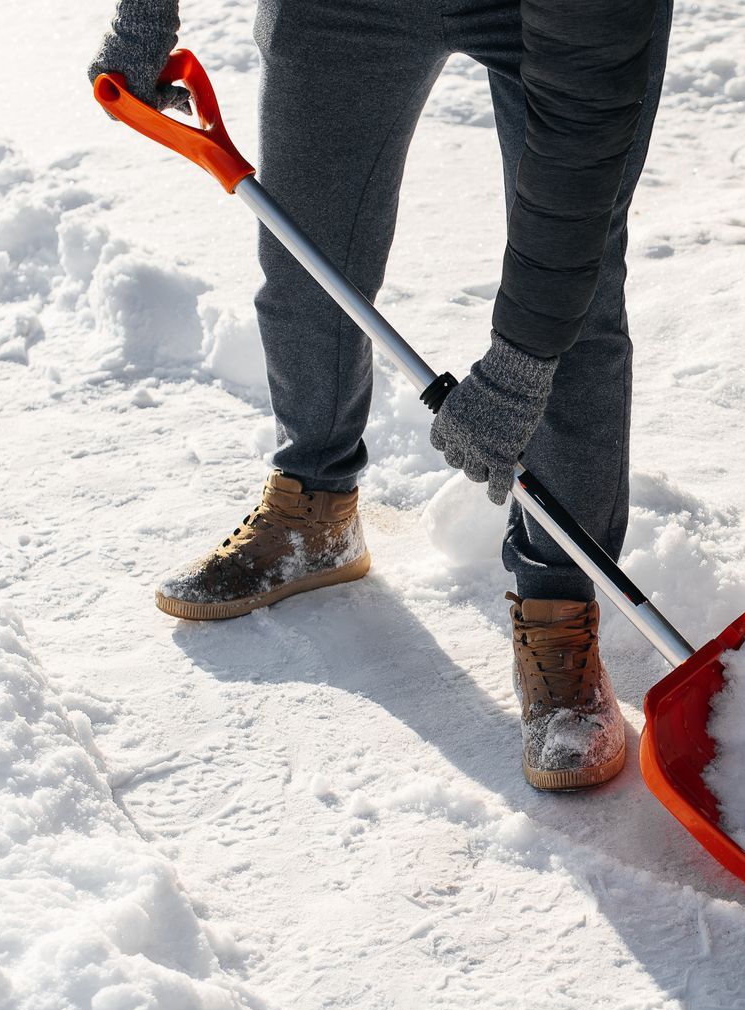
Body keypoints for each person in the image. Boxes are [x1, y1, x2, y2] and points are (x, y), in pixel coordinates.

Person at [89, 0, 671, 792]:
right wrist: (146, 11)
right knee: (307, 245)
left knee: (582, 296)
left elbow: (582, 126)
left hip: (560, 23)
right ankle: (314, 505)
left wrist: (520, 363)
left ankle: (558, 603)